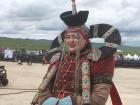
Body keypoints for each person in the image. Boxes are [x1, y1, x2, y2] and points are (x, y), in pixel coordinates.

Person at [31, 1, 122, 105]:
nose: (70, 41)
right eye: (68, 37)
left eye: (76, 37)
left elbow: (99, 98)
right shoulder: (59, 59)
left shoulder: (99, 60)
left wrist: (73, 102)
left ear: (86, 39)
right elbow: (45, 86)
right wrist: (46, 101)